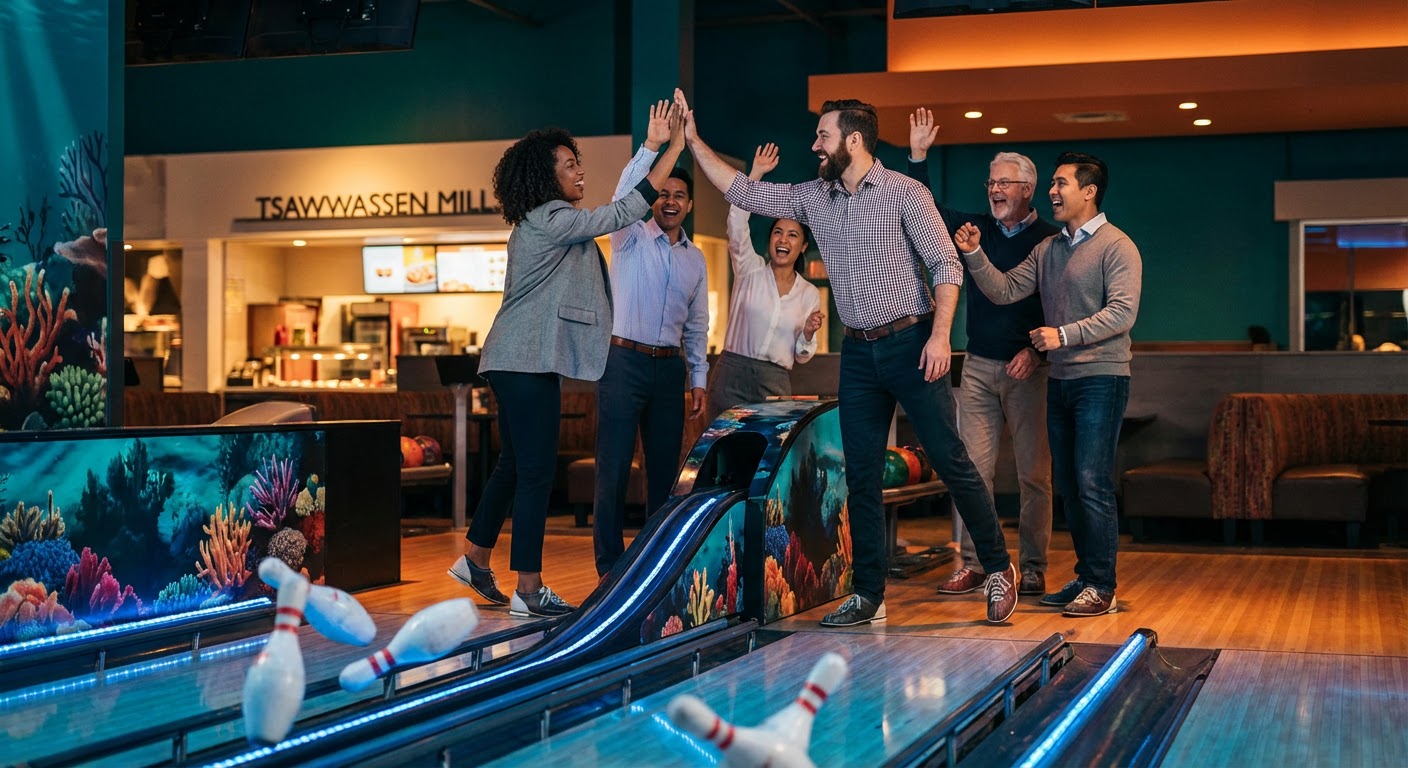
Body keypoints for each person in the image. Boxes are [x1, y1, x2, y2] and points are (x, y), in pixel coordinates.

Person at [678, 90, 1019, 627]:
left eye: (823, 135)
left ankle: (999, 567)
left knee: (951, 459)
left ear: (853, 140)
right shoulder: (816, 197)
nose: (814, 144)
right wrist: (694, 142)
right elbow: (743, 190)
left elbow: (946, 267)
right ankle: (867, 594)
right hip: (859, 350)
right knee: (858, 473)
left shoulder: (905, 193)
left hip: (912, 343)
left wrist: (938, 337)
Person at [448, 101, 685, 617]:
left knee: (514, 464)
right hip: (526, 363)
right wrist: (668, 149)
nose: (580, 170)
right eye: (570, 164)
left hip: (512, 360)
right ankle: (529, 590)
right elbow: (625, 210)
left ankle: (475, 556)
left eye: (579, 162)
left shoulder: (538, 222)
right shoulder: (553, 218)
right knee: (535, 473)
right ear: (545, 176)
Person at [953, 151, 1142, 618]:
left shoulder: (1119, 246)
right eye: (1053, 184)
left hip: (1102, 377)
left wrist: (1063, 335)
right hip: (1061, 379)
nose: (1052, 193)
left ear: (1089, 191)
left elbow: (1122, 313)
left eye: (1060, 184)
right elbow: (1001, 290)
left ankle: (1103, 585)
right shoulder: (1051, 248)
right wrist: (975, 253)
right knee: (1073, 488)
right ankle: (1085, 575)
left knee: (1092, 481)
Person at [905, 109, 1057, 599]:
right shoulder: (972, 228)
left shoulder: (1050, 240)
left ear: (1027, 190)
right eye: (991, 182)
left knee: (1034, 474)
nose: (994, 190)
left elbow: (1060, 307)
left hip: (1028, 368)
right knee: (971, 470)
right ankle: (977, 564)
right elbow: (922, 205)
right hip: (977, 368)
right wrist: (919, 156)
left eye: (1005, 183)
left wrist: (1036, 354)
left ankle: (1032, 566)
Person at [592, 112, 711, 579]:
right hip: (621, 361)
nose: (670, 201)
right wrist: (654, 146)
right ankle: (608, 569)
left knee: (664, 475)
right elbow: (625, 196)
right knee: (614, 469)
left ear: (689, 205)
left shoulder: (695, 258)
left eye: (679, 195)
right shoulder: (628, 236)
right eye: (662, 193)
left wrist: (698, 378)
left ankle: (654, 567)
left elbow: (697, 325)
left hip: (669, 372)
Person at [705, 142, 825, 423]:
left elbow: (803, 356)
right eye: (778, 232)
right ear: (770, 240)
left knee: (766, 457)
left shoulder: (808, 293)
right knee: (720, 451)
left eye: (792, 235)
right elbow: (736, 222)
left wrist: (807, 332)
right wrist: (754, 174)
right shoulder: (749, 269)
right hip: (730, 374)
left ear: (803, 245)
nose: (783, 239)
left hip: (774, 382)